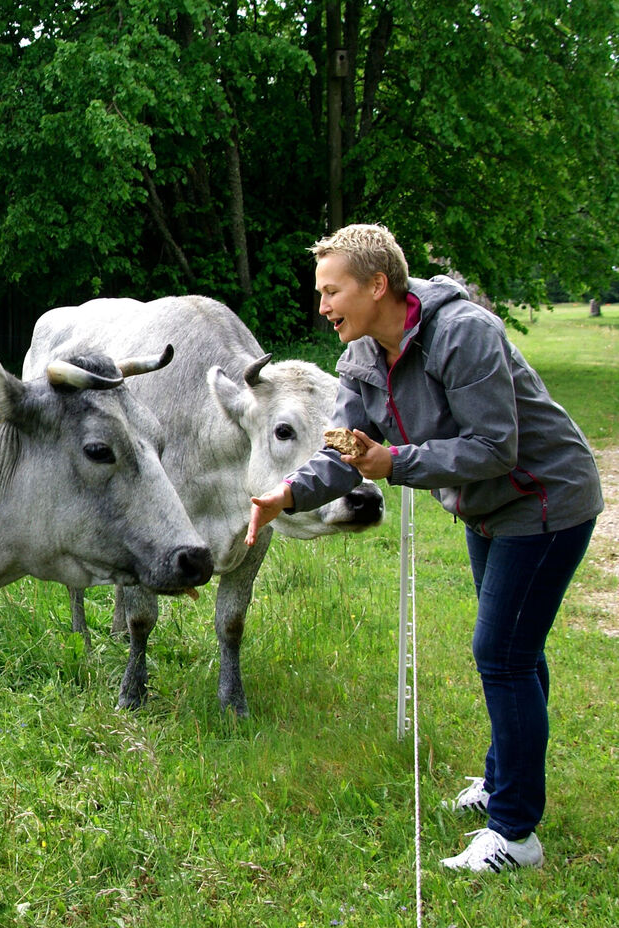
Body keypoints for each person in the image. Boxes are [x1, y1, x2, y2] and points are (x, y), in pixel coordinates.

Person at [246, 223, 603, 873]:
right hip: (489, 510)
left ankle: (516, 835)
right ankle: (504, 782)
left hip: (544, 500)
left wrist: (397, 459)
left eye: (333, 291)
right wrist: (289, 494)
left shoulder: (464, 333)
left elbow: (497, 447)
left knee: (500, 653)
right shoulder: (359, 358)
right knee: (515, 650)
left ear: (378, 284)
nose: (322, 306)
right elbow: (348, 451)